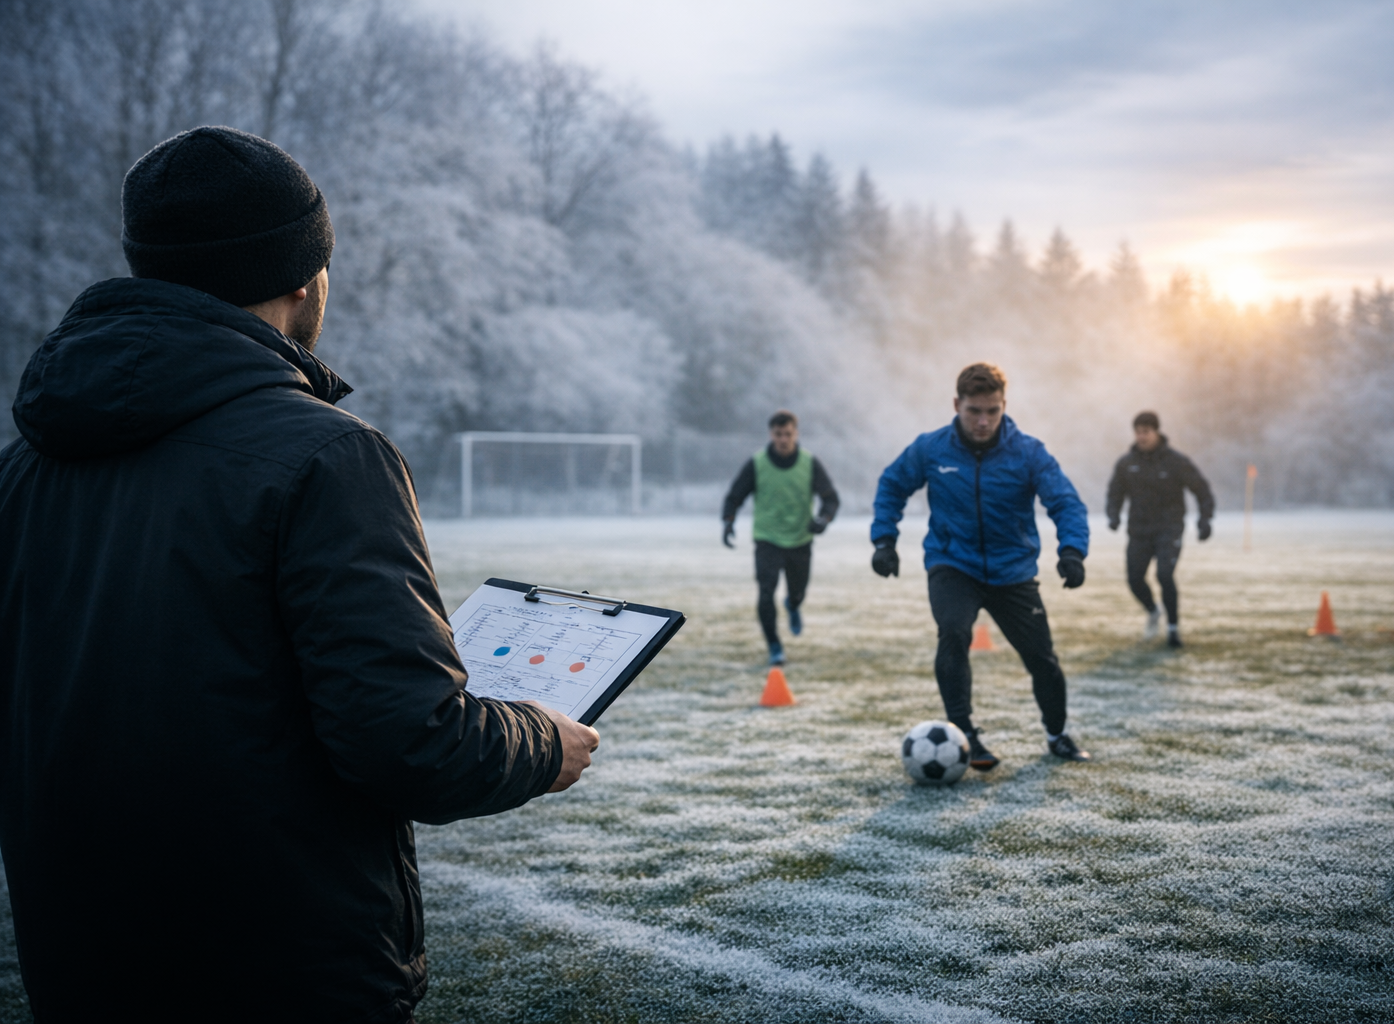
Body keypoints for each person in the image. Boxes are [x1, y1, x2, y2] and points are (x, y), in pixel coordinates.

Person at [0, 127, 600, 1023]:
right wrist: (543, 741)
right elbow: (411, 744)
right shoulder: (327, 456)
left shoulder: (24, 465)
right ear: (304, 277)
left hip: (79, 958)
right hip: (281, 966)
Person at [871, 363, 1092, 768]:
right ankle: (964, 735)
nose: (984, 421)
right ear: (956, 404)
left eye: (993, 410)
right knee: (954, 632)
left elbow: (1065, 502)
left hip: (1013, 572)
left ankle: (1057, 735)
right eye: (974, 411)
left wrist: (1073, 551)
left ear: (1004, 405)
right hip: (953, 564)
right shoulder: (931, 449)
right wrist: (884, 540)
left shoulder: (1029, 452)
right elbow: (892, 485)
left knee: (1041, 657)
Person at [721, 410, 840, 666]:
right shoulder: (757, 463)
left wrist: (823, 519)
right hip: (767, 539)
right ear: (771, 434)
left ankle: (793, 605)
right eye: (778, 434)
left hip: (800, 540)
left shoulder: (809, 463)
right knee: (765, 593)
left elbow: (831, 498)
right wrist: (728, 521)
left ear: (796, 434)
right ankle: (774, 645)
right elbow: (735, 495)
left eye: (788, 434)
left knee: (798, 592)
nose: (783, 439)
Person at [1105, 411, 1215, 649]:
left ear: (1156, 432)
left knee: (1164, 575)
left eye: (1146, 432)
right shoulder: (1126, 463)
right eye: (1138, 432)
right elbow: (1115, 493)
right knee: (1134, 579)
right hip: (1139, 530)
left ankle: (1173, 629)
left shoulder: (1176, 461)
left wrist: (1205, 520)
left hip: (1169, 529)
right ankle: (1153, 611)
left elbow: (1202, 490)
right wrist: (1113, 515)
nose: (1141, 437)